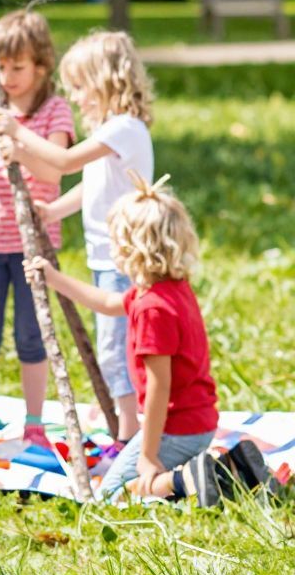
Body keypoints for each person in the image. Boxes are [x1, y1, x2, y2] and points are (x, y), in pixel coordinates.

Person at [24, 176, 263, 504]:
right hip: (199, 423)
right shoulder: (166, 290)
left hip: (176, 430)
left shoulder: (153, 308)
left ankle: (183, 479)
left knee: (112, 495)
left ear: (131, 248)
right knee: (127, 485)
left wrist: (148, 456)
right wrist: (54, 279)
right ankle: (233, 471)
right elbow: (108, 303)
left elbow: (158, 389)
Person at [0, 30, 151, 444]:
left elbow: (63, 162)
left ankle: (131, 434)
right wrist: (52, 210)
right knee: (113, 348)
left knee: (119, 351)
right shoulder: (112, 132)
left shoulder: (124, 128)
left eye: (81, 87)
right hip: (108, 258)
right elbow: (91, 184)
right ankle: (129, 428)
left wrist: (17, 131)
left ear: (107, 81)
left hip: (124, 260)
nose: (76, 96)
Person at [0, 9, 74, 450]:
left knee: (32, 335)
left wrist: (19, 144)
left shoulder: (54, 111)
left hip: (32, 245)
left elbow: (55, 171)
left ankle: (35, 422)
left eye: (17, 67)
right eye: (0, 67)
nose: (7, 77)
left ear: (41, 65)